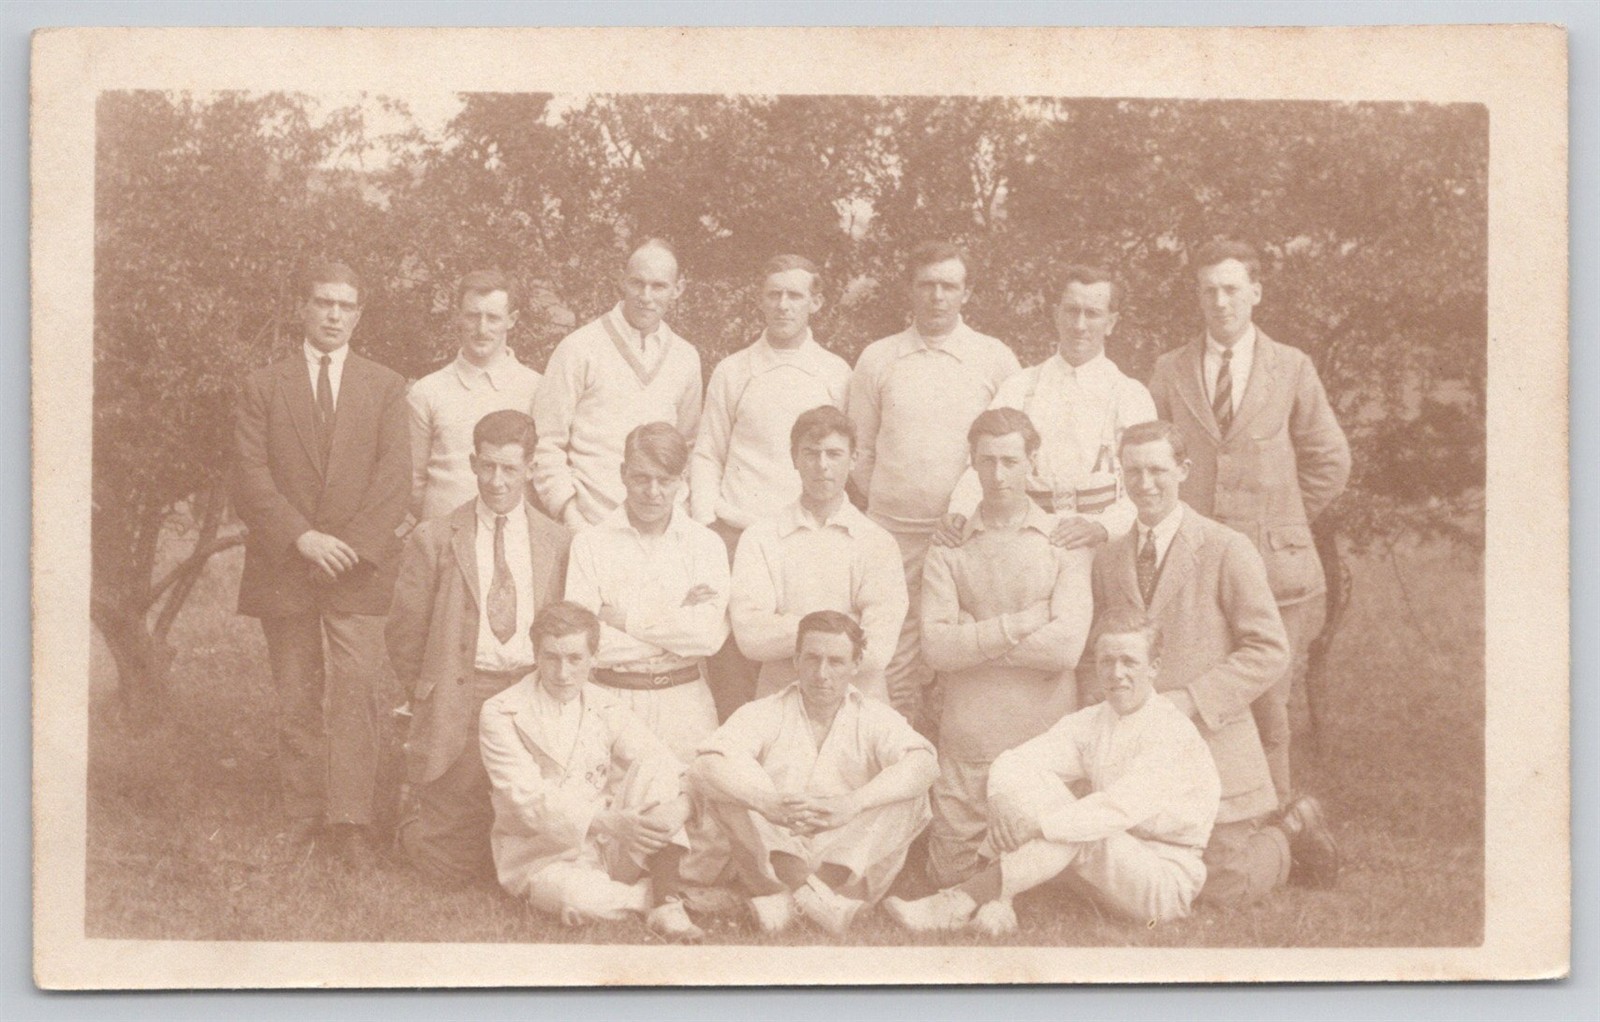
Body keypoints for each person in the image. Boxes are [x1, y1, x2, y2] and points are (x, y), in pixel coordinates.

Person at [1092, 419, 1339, 904]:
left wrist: (1192, 699)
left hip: (1213, 743)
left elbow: (1269, 649)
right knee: (1134, 874)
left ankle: (1290, 831)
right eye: (1133, 472)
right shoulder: (1109, 559)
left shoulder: (1226, 548)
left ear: (1183, 470)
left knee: (1220, 887)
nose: (1146, 484)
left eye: (1158, 470)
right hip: (1139, 755)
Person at [1148, 239, 1351, 807]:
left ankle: (1276, 816)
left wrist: (1284, 519)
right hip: (1194, 565)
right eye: (1209, 290)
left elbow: (1330, 460)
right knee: (1194, 686)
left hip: (1274, 566)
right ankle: (1198, 815)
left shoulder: (1291, 367)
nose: (1221, 301)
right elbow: (1152, 457)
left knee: (1268, 696)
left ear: (1255, 294)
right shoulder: (1170, 369)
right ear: (1198, 297)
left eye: (1232, 288)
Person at [884, 611, 1221, 935]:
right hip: (1108, 863)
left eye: (1129, 661)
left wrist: (1037, 825)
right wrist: (1002, 803)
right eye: (1107, 661)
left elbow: (1118, 808)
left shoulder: (1171, 730)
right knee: (1042, 794)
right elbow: (1015, 761)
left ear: (1154, 668)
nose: (1116, 673)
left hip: (1163, 878)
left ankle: (957, 902)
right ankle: (1000, 905)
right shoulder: (1095, 720)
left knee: (1078, 828)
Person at [232, 259, 410, 867]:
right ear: (302, 309)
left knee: (356, 692)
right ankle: (303, 814)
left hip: (356, 570)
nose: (334, 314)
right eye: (323, 303)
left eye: (346, 305)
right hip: (286, 563)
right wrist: (303, 538)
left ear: (360, 314)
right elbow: (250, 478)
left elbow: (394, 481)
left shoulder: (386, 386)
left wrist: (350, 547)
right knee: (296, 694)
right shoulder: (263, 385)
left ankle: (350, 821)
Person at [385, 410, 570, 885]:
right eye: (487, 466)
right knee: (448, 868)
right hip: (464, 693)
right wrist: (435, 691)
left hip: (531, 691)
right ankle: (412, 823)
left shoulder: (558, 541)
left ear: (530, 468)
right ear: (472, 463)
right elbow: (405, 634)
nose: (497, 481)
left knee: (534, 830)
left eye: (510, 468)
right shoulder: (437, 538)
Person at [848, 242, 1021, 727]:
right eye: (927, 285)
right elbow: (859, 452)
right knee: (892, 649)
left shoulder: (994, 358)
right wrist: (893, 503)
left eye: (949, 286)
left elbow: (1003, 448)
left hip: (967, 533)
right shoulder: (878, 358)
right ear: (910, 289)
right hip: (891, 534)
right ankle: (902, 755)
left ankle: (961, 760)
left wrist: (962, 510)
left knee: (964, 642)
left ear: (967, 292)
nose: (937, 296)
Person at [918, 408, 1094, 887]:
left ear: (1031, 462)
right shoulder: (949, 546)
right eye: (987, 461)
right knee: (947, 879)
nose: (998, 475)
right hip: (969, 737)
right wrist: (1025, 621)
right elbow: (936, 648)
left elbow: (1065, 650)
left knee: (1044, 876)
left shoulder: (1064, 541)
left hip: (1043, 740)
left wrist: (974, 635)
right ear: (971, 463)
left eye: (1011, 461)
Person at [690, 612, 937, 936]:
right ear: (796, 660)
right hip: (777, 856)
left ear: (856, 664)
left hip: (850, 866)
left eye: (836, 661)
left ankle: (793, 902)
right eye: (812, 659)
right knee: (728, 773)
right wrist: (765, 802)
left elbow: (925, 764)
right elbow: (706, 765)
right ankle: (817, 901)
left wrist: (854, 803)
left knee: (910, 789)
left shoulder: (875, 716)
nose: (822, 674)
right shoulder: (766, 711)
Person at [479, 602, 704, 940]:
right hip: (541, 855)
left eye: (575, 659)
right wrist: (610, 822)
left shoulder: (606, 704)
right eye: (551, 657)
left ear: (593, 657)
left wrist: (681, 805)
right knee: (579, 900)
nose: (563, 673)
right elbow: (525, 799)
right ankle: (666, 895)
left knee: (656, 764)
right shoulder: (501, 711)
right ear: (535, 654)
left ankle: (664, 898)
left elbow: (665, 763)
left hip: (607, 846)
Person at [691, 255, 851, 720]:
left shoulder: (836, 372)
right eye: (774, 294)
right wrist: (708, 529)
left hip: (805, 538)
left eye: (795, 295)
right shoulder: (733, 370)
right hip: (739, 535)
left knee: (807, 656)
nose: (783, 305)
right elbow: (707, 453)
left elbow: (842, 456)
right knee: (734, 665)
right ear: (761, 299)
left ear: (815, 302)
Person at [941, 263, 1155, 549]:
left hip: (1104, 546)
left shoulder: (1130, 395)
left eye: (1092, 314)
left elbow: (1146, 481)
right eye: (1071, 311)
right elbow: (981, 464)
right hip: (1026, 541)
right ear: (1056, 314)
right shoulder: (1020, 387)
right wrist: (959, 513)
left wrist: (1103, 527)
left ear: (1111, 323)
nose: (1079, 326)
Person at [563, 422, 728, 763]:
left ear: (681, 479)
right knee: (618, 808)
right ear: (623, 474)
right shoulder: (590, 544)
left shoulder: (706, 545)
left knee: (690, 806)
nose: (653, 491)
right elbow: (586, 643)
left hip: (686, 707)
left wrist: (624, 620)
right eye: (641, 478)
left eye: (665, 480)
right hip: (612, 700)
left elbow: (708, 637)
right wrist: (676, 625)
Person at [729, 405, 907, 706]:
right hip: (780, 708)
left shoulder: (877, 542)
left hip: (859, 709)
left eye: (834, 454)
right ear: (794, 459)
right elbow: (751, 638)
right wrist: (847, 626)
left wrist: (788, 629)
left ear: (853, 459)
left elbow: (876, 652)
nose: (821, 465)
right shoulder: (760, 537)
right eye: (811, 453)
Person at [534, 239, 703, 529]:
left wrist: (679, 516)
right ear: (621, 281)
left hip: (660, 528)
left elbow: (686, 448)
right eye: (637, 283)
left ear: (679, 289)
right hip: (588, 524)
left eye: (659, 286)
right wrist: (569, 514)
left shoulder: (686, 357)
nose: (646, 296)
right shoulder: (579, 347)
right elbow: (545, 442)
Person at [406, 269, 543, 523]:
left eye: (493, 318)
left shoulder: (537, 389)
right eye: (472, 316)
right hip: (445, 539)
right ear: (458, 317)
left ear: (511, 320)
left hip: (514, 537)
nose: (482, 328)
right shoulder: (427, 391)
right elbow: (414, 482)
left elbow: (542, 472)